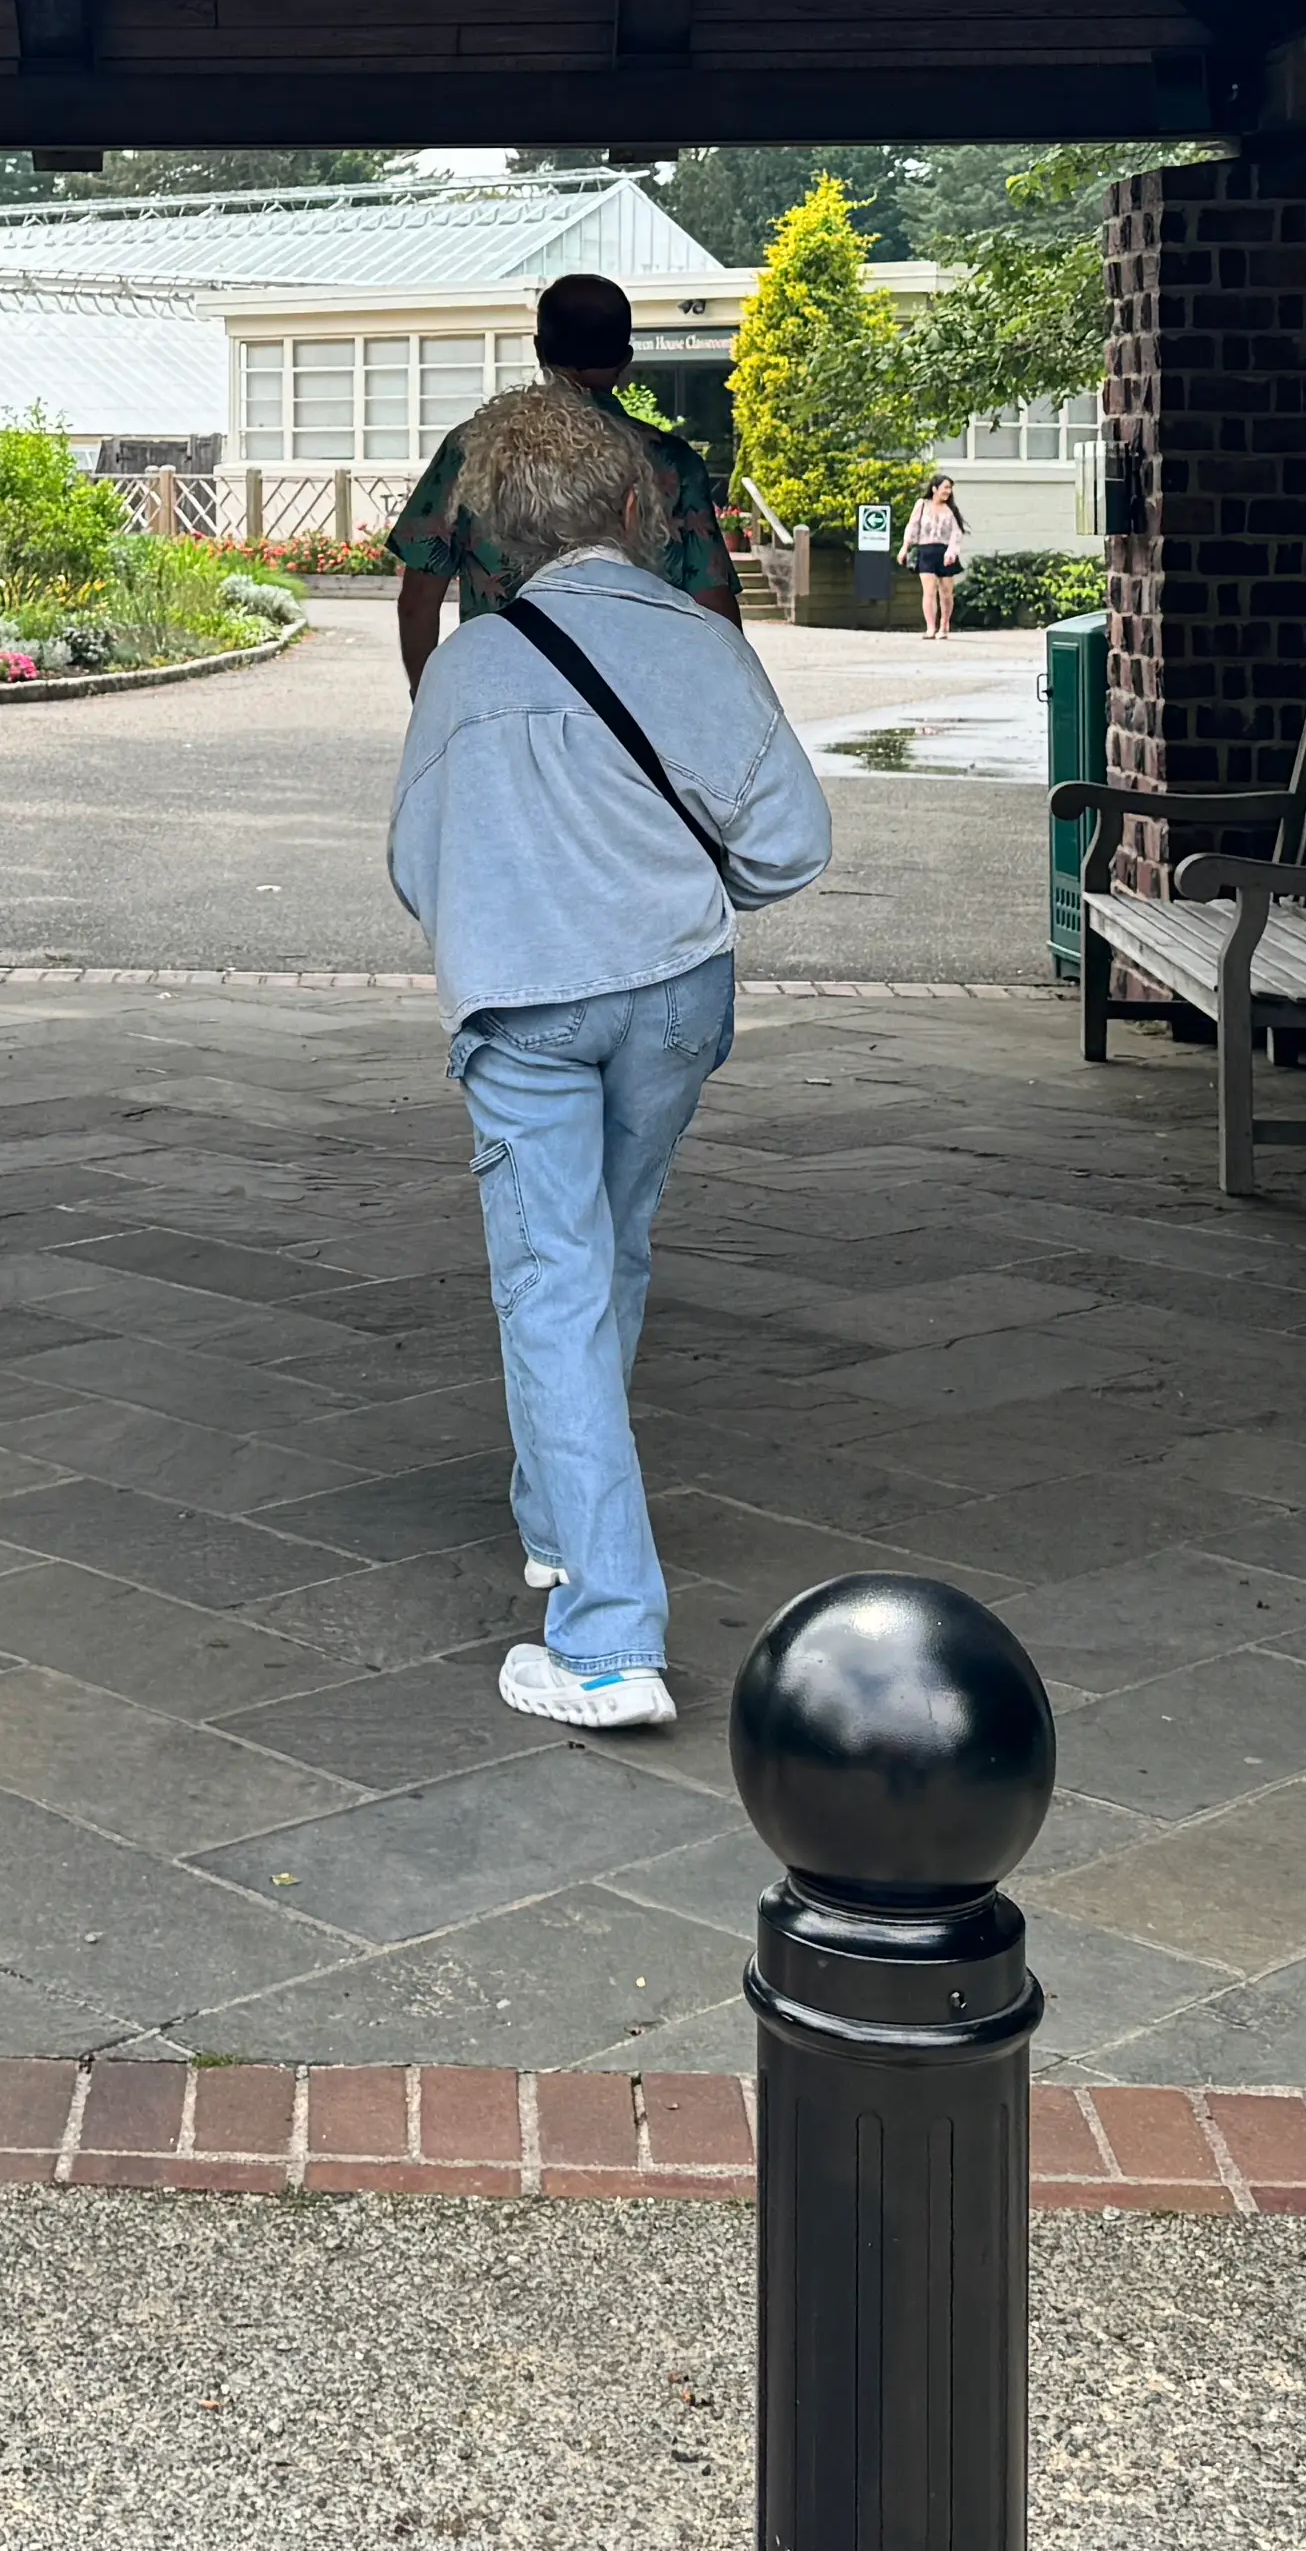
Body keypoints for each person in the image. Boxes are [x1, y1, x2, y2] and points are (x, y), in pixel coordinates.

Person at [388, 378, 829, 1732]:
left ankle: (604, 1639)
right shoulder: (707, 648)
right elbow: (791, 845)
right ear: (640, 505)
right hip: (676, 999)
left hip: (525, 1004)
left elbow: (416, 863)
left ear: (492, 534)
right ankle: (555, 1515)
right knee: (612, 1249)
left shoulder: (469, 668)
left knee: (552, 1284)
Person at [390, 271, 745, 691]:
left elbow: (418, 600)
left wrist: (429, 700)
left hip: (504, 695)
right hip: (633, 703)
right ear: (625, 358)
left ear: (539, 349)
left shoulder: (473, 449)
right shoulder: (672, 463)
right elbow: (715, 610)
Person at [903, 469, 972, 641]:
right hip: (925, 550)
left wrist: (952, 552)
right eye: (945, 487)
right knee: (929, 591)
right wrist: (905, 547)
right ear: (935, 488)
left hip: (945, 553)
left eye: (950, 488)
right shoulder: (922, 505)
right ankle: (930, 628)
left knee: (946, 592)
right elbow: (912, 526)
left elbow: (956, 533)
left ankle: (944, 625)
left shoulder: (950, 510)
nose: (948, 491)